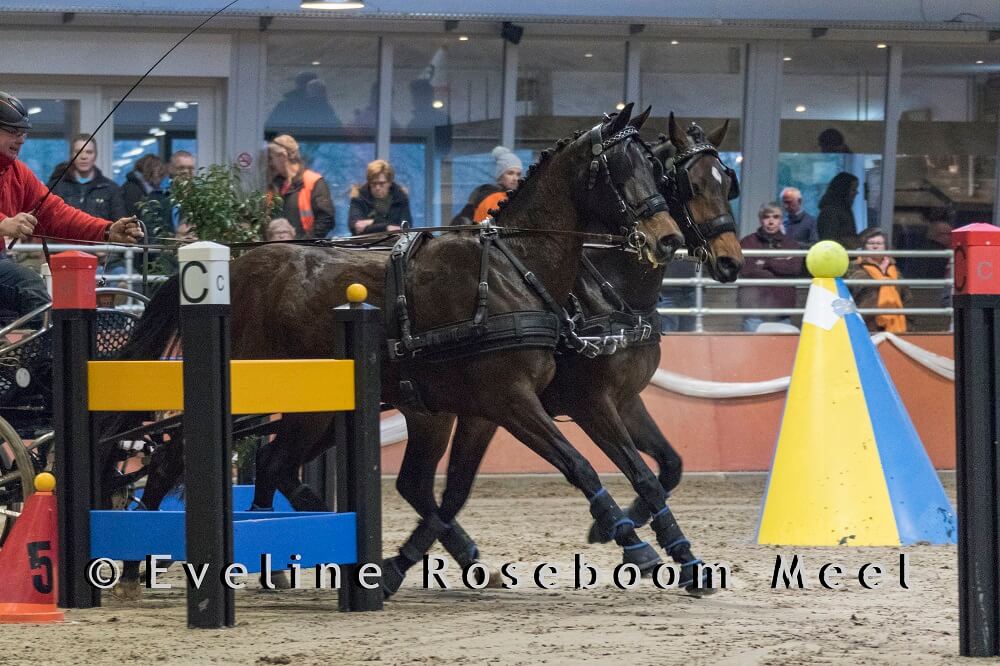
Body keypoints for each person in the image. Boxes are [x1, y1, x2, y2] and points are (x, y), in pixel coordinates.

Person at [0, 91, 142, 317]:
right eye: (13, 131)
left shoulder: (18, 173)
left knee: (15, 313)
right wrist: (3, 224)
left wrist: (106, 230)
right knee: (30, 287)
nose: (21, 139)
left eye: (23, 132)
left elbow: (55, 213)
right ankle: (51, 341)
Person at [737, 202, 804, 332]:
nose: (771, 221)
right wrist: (780, 264)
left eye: (776, 217)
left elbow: (794, 268)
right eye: (766, 217)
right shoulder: (747, 242)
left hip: (782, 310)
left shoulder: (791, 244)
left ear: (781, 219)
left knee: (780, 345)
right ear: (760, 219)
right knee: (752, 345)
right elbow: (746, 270)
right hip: (753, 309)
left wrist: (766, 263)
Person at [266, 134, 334, 239]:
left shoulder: (313, 181)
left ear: (282, 156)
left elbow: (326, 219)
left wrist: (306, 242)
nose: (271, 163)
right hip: (277, 246)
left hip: (304, 247)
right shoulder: (275, 185)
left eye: (272, 158)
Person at [49, 134, 127, 223]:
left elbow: (119, 224)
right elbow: (47, 221)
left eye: (89, 152)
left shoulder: (111, 189)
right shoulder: (56, 187)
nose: (83, 157)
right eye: (78, 152)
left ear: (95, 155)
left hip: (100, 232)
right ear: (71, 155)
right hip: (65, 232)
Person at [847, 227, 910, 333]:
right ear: (864, 246)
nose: (875, 246)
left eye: (879, 243)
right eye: (871, 243)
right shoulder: (854, 266)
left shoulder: (894, 269)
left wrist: (910, 324)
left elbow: (906, 298)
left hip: (893, 326)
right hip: (863, 325)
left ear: (885, 247)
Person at [450, 146, 523, 225]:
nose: (515, 178)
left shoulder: (518, 197)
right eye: (510, 173)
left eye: (518, 174)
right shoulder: (491, 197)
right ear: (500, 175)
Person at [349, 159, 413, 235]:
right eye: (373, 183)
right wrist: (387, 227)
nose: (377, 187)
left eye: (382, 183)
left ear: (390, 182)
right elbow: (356, 227)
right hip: (366, 241)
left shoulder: (400, 198)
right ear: (369, 182)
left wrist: (372, 222)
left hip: (395, 241)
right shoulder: (359, 197)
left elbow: (405, 228)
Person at [817, 172, 860, 249]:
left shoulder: (846, 210)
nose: (856, 193)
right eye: (853, 189)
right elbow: (829, 241)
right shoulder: (830, 212)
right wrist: (856, 241)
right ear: (843, 191)